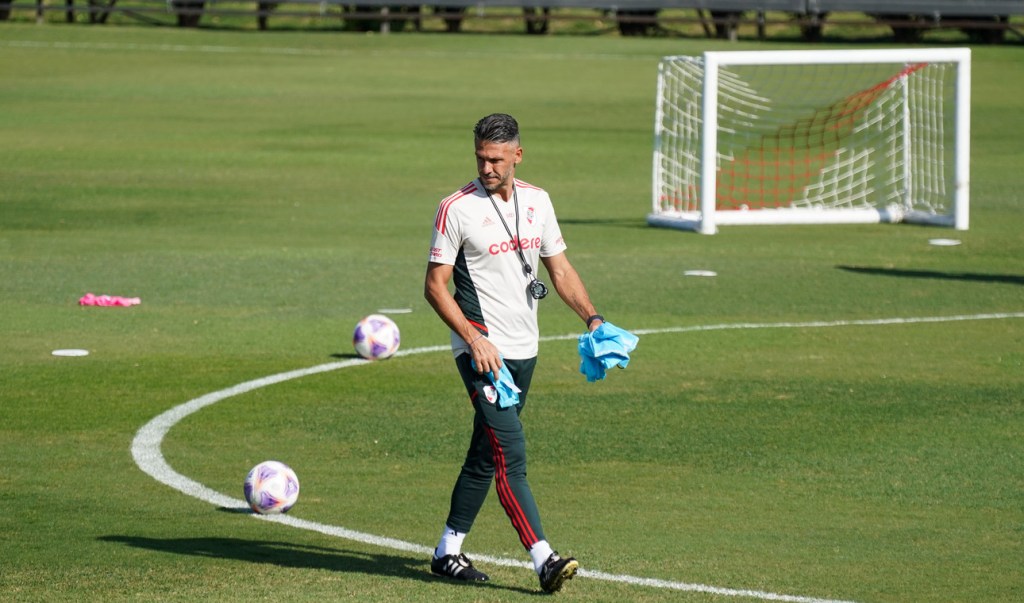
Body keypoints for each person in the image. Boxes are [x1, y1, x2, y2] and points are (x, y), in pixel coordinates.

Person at [424, 113, 606, 593]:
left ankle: (447, 551)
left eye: (497, 159)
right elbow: (434, 287)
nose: (487, 167)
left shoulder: (539, 201)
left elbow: (560, 270)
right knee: (512, 455)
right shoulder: (456, 209)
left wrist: (593, 318)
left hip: (526, 350)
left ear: (517, 156)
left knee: (487, 453)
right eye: (481, 158)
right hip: (483, 355)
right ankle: (543, 558)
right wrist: (473, 338)